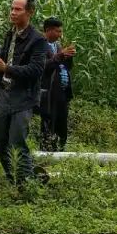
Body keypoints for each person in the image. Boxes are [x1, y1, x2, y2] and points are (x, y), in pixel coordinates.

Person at [0, 0, 48, 184]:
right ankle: (13, 177)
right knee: (0, 139)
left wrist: (6, 68)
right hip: (4, 93)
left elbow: (36, 70)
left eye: (18, 9)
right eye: (12, 8)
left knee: (17, 140)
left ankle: (25, 183)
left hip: (24, 97)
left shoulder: (37, 39)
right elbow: (5, 61)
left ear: (30, 12)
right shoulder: (10, 34)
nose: (13, 12)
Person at [38, 18, 76, 151]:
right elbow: (43, 66)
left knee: (61, 121)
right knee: (49, 120)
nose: (60, 34)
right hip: (48, 91)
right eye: (58, 31)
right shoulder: (40, 44)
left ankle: (60, 149)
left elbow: (65, 67)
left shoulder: (57, 46)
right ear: (48, 30)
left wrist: (68, 56)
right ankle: (46, 149)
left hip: (62, 91)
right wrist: (60, 55)